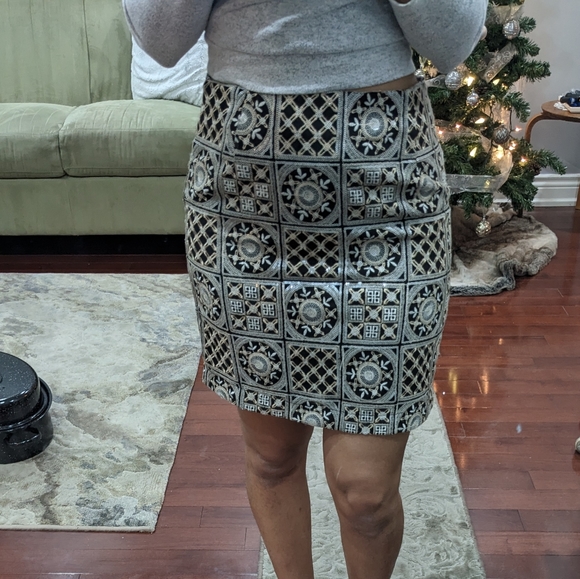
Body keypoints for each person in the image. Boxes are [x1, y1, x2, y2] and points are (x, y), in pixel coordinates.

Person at [123, 2, 488, 578]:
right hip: (245, 196)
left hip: (384, 190)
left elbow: (453, 41)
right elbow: (161, 39)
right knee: (272, 456)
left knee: (366, 492)